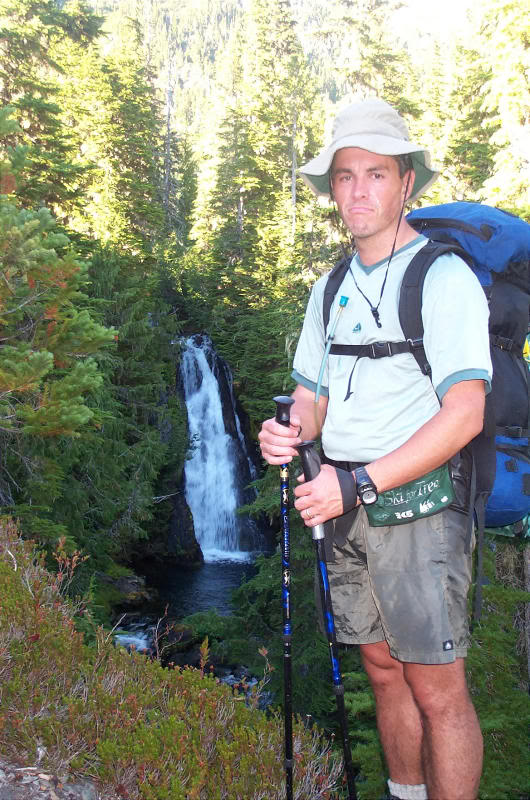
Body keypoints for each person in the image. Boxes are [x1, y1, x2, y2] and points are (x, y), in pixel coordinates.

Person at [258, 97, 492, 800]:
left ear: (406, 185)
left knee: (437, 687)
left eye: (377, 174)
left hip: (419, 510)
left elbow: (466, 415)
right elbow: (315, 396)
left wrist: (355, 484)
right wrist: (290, 430)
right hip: (349, 512)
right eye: (345, 176)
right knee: (384, 670)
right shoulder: (330, 287)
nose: (359, 190)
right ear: (333, 188)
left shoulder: (442, 279)